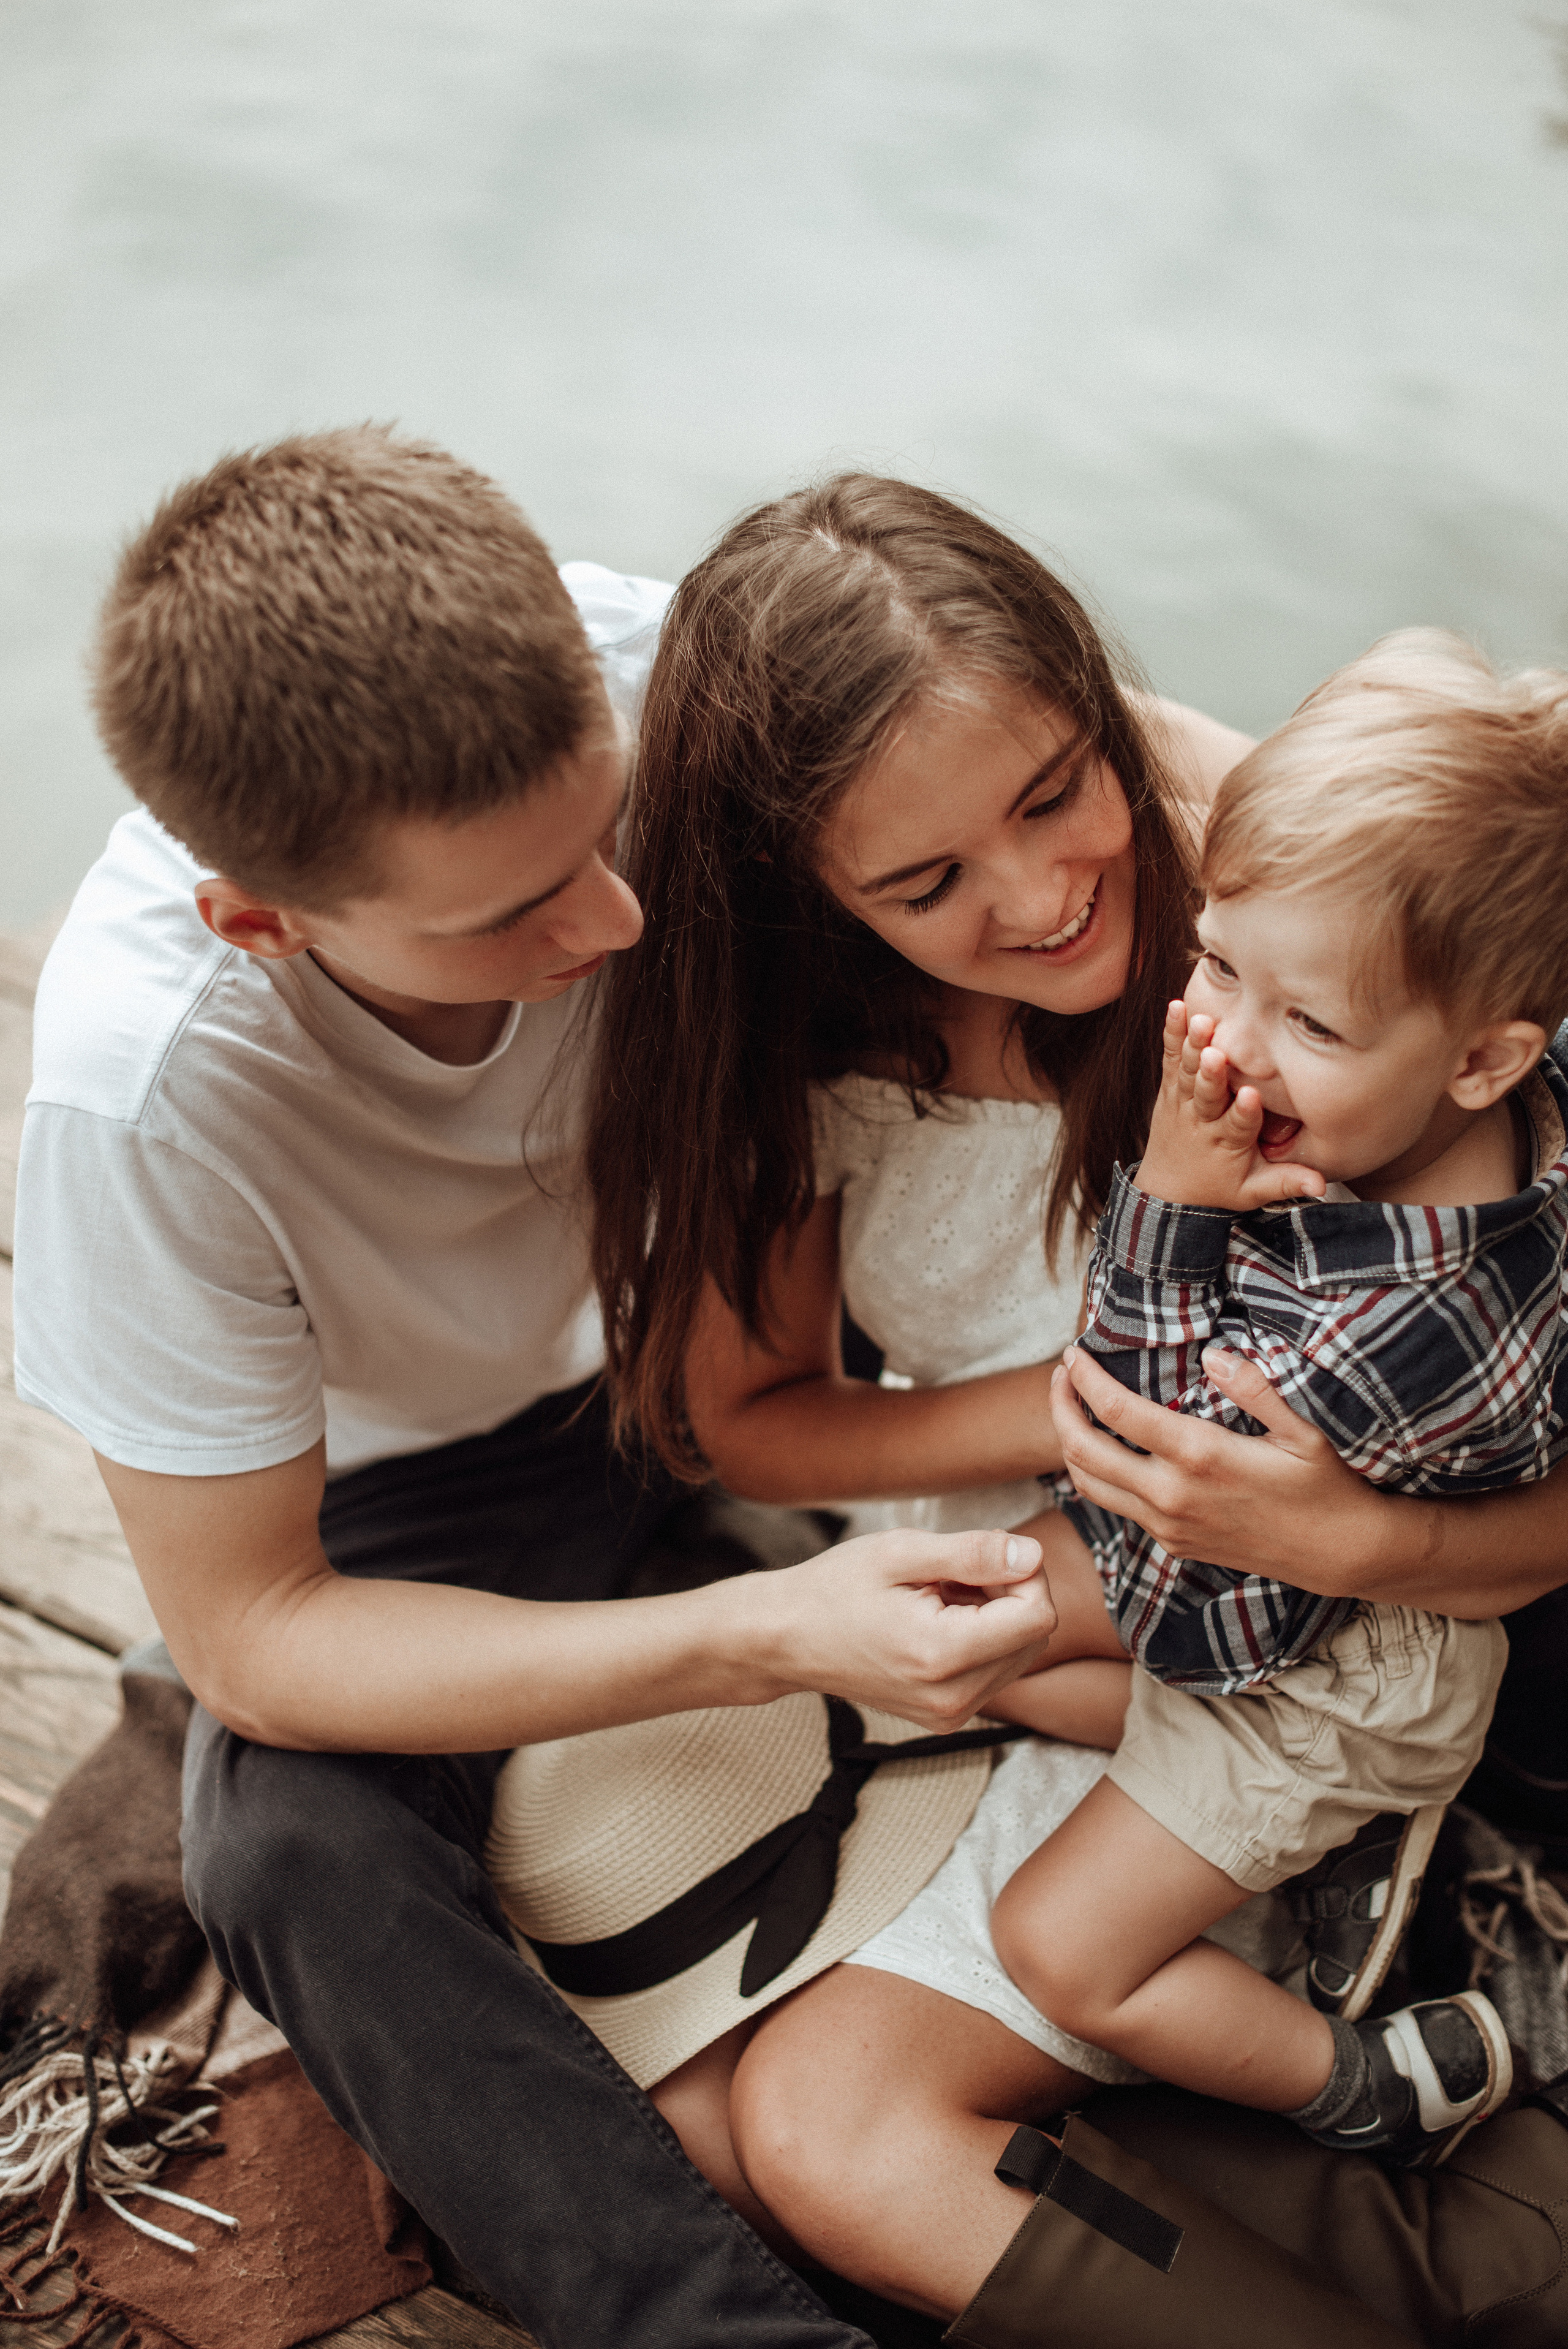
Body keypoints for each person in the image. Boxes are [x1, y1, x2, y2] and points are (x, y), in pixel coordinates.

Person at [10, 428, 1063, 2349]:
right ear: (266, 920)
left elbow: (1115, 763)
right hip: (426, 1495)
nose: (617, 926)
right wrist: (763, 1633)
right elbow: (260, 1634)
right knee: (270, 1839)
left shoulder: (678, 667)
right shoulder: (141, 1096)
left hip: (770, 1342)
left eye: (607, 832)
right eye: (513, 911)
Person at [576, 475, 1568, 2343]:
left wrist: (1374, 1540)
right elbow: (756, 1429)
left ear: (1093, 713)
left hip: (1294, 1648)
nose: (1040, 898)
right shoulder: (804, 1045)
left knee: (819, 2126)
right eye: (927, 883)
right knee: (699, 2106)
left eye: (1054, 794)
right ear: (811, 890)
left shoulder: (1309, 930)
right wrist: (1066, 1402)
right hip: (1031, 1605)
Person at [989, 629, 1568, 2173]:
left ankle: (1385, 2076)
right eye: (1214, 961)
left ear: (1480, 1057)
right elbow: (1419, 659)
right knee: (986, 1660)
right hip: (1310, 1598)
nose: (1229, 1044)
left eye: (1307, 1023)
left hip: (1323, 1674)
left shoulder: (1372, 1333)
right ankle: (1332, 1848)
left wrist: (1172, 1203)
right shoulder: (1500, 1094)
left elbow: (1185, 1615)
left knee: (1056, 1946)